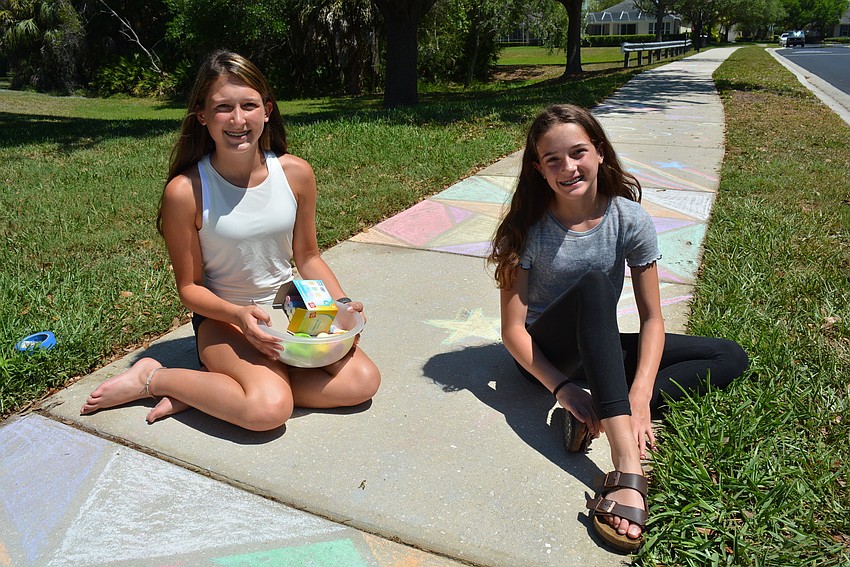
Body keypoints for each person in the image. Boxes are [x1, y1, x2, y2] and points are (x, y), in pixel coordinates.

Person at [487, 104, 748, 552]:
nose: (569, 167)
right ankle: (626, 461)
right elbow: (513, 330)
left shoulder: (629, 219)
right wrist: (562, 388)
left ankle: (610, 411)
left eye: (578, 153)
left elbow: (652, 318)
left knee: (729, 356)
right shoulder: (526, 228)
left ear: (600, 153)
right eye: (554, 160)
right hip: (545, 356)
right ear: (539, 170)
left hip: (597, 346)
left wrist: (643, 392)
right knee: (593, 287)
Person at [81, 51, 380, 431]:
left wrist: (339, 305)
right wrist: (238, 315)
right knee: (268, 412)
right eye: (223, 108)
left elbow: (308, 257)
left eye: (249, 105)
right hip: (225, 320)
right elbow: (190, 289)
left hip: (289, 311)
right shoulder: (186, 191)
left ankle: (216, 391)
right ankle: (153, 378)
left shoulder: (296, 174)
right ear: (202, 116)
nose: (238, 120)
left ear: (267, 111)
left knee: (363, 382)